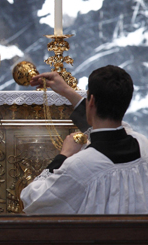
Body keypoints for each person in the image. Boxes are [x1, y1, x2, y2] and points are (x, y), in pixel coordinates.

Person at [21, 65, 148, 214]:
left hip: (99, 237)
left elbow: (33, 200)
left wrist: (64, 155)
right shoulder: (143, 145)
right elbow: (112, 128)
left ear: (91, 100)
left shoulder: (79, 165)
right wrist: (68, 92)